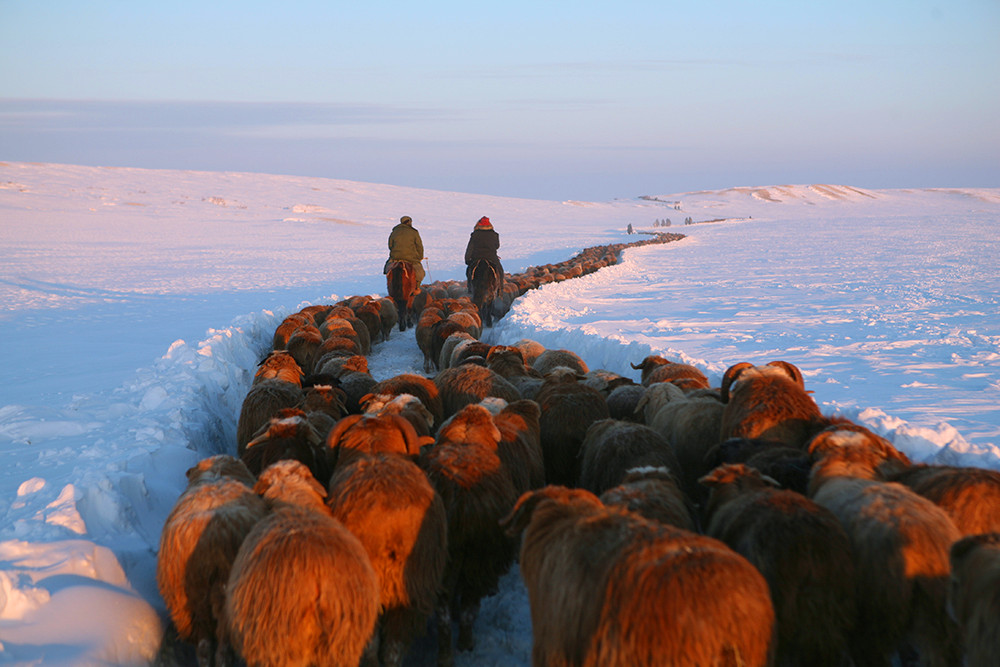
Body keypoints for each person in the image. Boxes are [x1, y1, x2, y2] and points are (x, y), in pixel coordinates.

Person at [385, 215, 425, 291]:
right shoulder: (414, 232)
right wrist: (420, 257)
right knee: (420, 273)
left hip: (395, 257)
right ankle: (416, 288)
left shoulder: (394, 232)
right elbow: (419, 246)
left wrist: (395, 252)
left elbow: (390, 245)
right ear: (409, 222)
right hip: (411, 258)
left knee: (387, 268)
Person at [464, 216, 503, 291]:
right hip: (491, 257)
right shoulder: (494, 234)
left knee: (469, 272)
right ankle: (500, 289)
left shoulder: (474, 235)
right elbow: (497, 246)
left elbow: (470, 248)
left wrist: (467, 260)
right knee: (500, 271)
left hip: (476, 257)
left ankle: (470, 288)